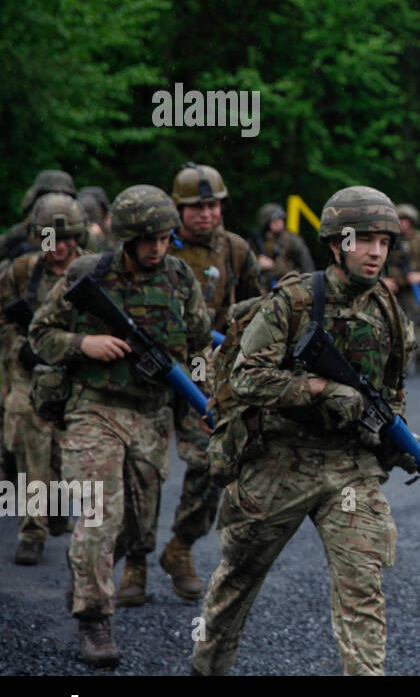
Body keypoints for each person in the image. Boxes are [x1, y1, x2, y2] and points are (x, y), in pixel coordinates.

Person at [191, 187, 420, 676]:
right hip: (279, 460)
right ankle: (206, 667)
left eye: (384, 242)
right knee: (238, 580)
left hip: (350, 469)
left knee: (363, 587)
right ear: (336, 245)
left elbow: (391, 394)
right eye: (364, 241)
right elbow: (246, 378)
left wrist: (401, 441)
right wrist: (317, 388)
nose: (376, 252)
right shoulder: (293, 301)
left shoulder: (391, 315)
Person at [30, 185, 211, 667]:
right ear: (127, 238)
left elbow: (198, 346)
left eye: (165, 238)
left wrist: (203, 401)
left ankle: (90, 573)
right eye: (148, 239)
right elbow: (40, 335)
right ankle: (93, 619)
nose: (158, 247)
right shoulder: (90, 273)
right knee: (98, 517)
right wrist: (83, 344)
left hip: (151, 416)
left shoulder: (179, 277)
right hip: (95, 408)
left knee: (135, 530)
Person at [161, 162, 265, 602]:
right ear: (178, 209)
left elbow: (257, 312)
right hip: (150, 367)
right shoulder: (156, 245)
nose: (206, 215)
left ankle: (181, 545)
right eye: (195, 207)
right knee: (140, 470)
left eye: (212, 205)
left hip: (207, 372)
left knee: (210, 460)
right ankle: (131, 560)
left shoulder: (237, 250)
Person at [0, 194, 90, 563]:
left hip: (78, 371)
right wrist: (18, 347)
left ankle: (60, 512)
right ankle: (32, 529)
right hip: (30, 374)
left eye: (68, 238)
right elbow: (3, 320)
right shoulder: (22, 272)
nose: (60, 246)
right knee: (28, 445)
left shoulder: (93, 270)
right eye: (52, 237)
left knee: (71, 455)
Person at [385, 203, 420, 372]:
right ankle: (402, 361)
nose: (403, 223)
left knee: (414, 325)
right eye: (400, 219)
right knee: (393, 325)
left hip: (414, 291)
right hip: (393, 289)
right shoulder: (387, 241)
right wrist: (384, 281)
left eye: (406, 220)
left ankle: (413, 356)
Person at [250, 202, 314, 289]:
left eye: (281, 219)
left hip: (290, 288)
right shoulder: (256, 241)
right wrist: (257, 263)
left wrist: (273, 266)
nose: (279, 223)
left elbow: (308, 269)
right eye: (275, 220)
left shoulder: (293, 241)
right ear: (266, 223)